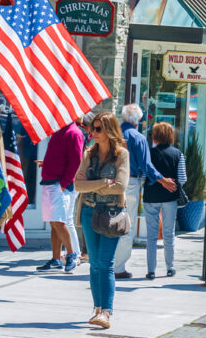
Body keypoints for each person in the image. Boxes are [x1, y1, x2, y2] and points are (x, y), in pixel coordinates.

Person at [75, 112, 130, 329]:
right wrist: (102, 182)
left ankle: (106, 312)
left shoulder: (121, 155)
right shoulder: (89, 153)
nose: (93, 133)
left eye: (98, 129)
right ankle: (97, 309)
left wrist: (93, 184)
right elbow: (77, 185)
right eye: (92, 129)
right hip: (89, 211)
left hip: (111, 214)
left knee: (106, 264)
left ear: (109, 130)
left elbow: (121, 186)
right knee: (94, 265)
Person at [116, 104, 176, 279]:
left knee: (110, 221)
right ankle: (119, 267)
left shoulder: (113, 135)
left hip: (109, 182)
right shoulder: (137, 137)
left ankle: (107, 262)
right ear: (138, 120)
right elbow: (146, 166)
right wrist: (162, 180)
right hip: (130, 181)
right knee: (127, 224)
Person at [36, 120, 84, 273]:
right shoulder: (59, 131)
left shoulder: (74, 132)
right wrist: (47, 164)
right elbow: (61, 157)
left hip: (59, 184)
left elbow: (76, 161)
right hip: (52, 182)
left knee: (59, 221)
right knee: (54, 222)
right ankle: (56, 259)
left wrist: (64, 182)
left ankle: (71, 254)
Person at [143, 122, 187, 280]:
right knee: (169, 234)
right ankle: (170, 267)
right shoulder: (178, 154)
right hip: (170, 197)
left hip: (151, 196)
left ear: (155, 136)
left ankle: (151, 270)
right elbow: (182, 178)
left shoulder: (148, 154)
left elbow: (144, 175)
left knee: (152, 236)